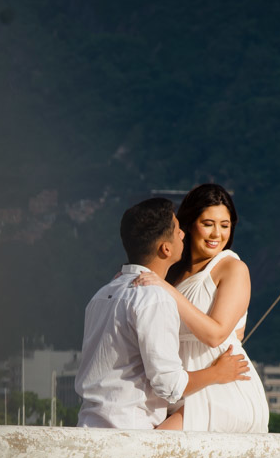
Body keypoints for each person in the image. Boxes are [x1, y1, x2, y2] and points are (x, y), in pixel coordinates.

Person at [76, 196, 250, 430]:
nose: (183, 235)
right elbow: (169, 384)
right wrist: (217, 373)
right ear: (165, 248)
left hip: (89, 424)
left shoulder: (102, 294)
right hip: (131, 425)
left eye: (225, 225)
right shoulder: (154, 297)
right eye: (178, 230)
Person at [134, 184, 269, 433]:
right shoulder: (172, 272)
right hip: (177, 387)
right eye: (208, 223)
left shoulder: (232, 268)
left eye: (225, 225)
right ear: (188, 224)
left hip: (222, 391)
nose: (216, 233)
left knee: (153, 446)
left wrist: (166, 289)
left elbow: (216, 334)